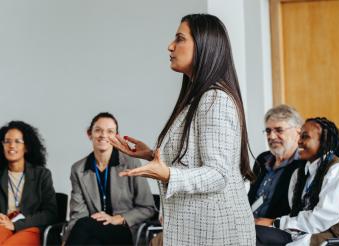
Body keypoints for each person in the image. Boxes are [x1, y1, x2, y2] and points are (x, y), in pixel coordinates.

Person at [110, 14, 256, 245]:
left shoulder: (215, 99)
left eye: (179, 38)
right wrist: (150, 154)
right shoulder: (198, 99)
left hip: (216, 233)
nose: (170, 46)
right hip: (199, 230)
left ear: (203, 46)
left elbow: (218, 174)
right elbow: (197, 157)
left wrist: (167, 174)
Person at [255, 117, 339, 246]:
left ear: (324, 141)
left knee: (256, 236)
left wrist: (274, 223)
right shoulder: (299, 174)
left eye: (305, 137)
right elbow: (297, 213)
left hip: (330, 239)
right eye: (299, 136)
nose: (299, 142)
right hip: (301, 235)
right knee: (251, 233)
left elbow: (320, 220)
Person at [63, 112, 155, 246]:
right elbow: (78, 213)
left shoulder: (131, 163)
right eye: (98, 130)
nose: (103, 135)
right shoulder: (78, 169)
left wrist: (118, 218)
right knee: (91, 240)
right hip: (91, 232)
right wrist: (66, 238)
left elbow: (148, 208)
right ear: (89, 134)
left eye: (110, 131)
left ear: (116, 136)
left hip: (124, 230)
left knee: (85, 225)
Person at [0, 121, 57, 246]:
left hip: (29, 227)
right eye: (7, 141)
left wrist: (15, 224)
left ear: (26, 147)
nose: (11, 146)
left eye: (17, 141)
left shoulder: (42, 174)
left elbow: (50, 213)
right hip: (3, 226)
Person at [248, 105, 305, 219]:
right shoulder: (262, 159)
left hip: (278, 230)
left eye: (279, 130)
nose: (272, 136)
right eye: (268, 131)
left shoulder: (303, 164)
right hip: (250, 226)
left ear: (298, 132)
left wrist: (271, 223)